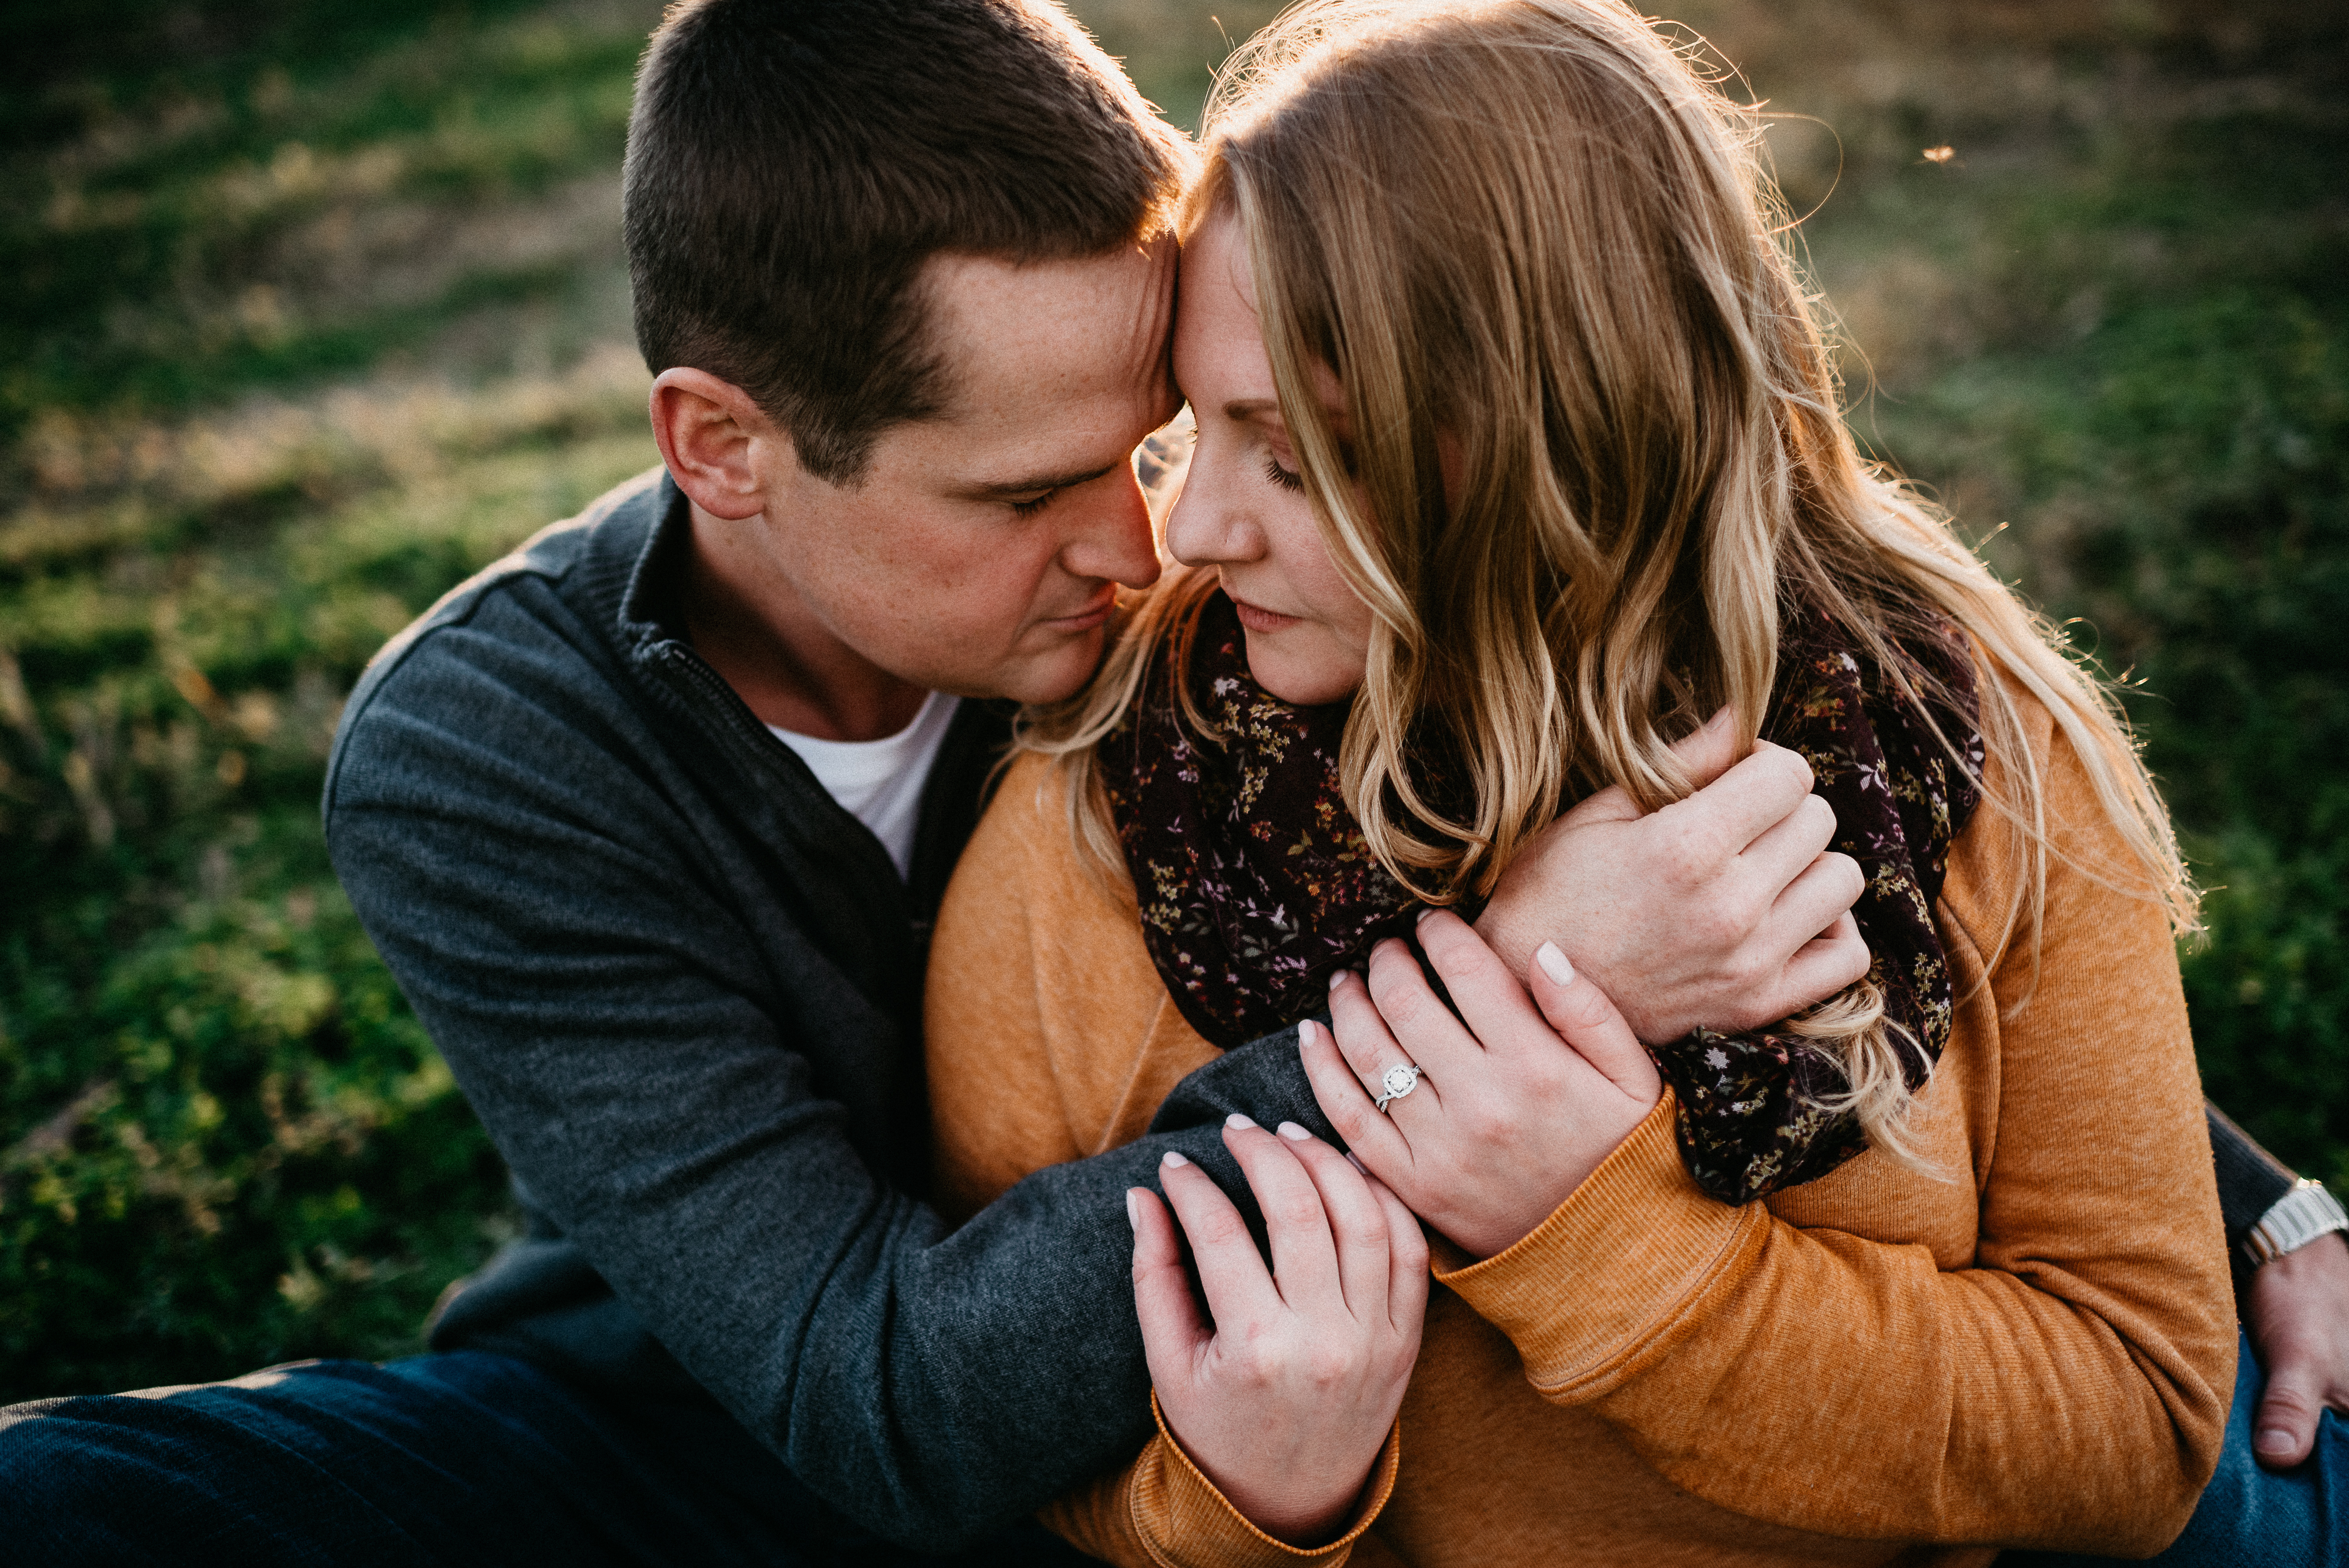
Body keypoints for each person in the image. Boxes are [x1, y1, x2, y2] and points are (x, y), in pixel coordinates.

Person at [0, 3, 2338, 1564]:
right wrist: (1523, 1000)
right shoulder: (498, 758)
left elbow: (1838, 768)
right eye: (1043, 488)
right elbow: (890, 1400)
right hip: (748, 1392)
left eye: (1192, 433)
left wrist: (2228, 1185)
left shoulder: (1236, 621)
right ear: (726, 450)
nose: (1158, 546)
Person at [920, 1, 2344, 1562]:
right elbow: (1039, 1458)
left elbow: (2136, 1420)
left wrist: (1606, 1247)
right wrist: (1255, 1504)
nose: (1188, 534)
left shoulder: (1952, 739)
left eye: (1295, 451)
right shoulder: (1103, 833)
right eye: (1196, 430)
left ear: (1556, 433)